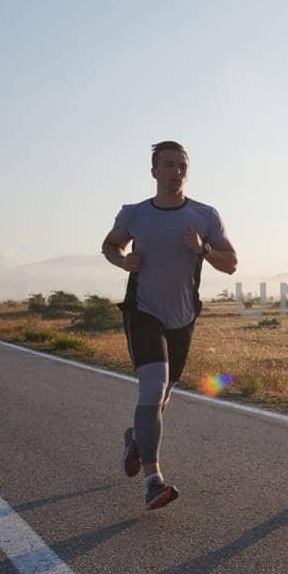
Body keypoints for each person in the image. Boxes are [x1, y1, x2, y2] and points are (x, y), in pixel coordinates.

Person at [101, 140, 237, 510]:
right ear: (154, 171)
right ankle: (153, 480)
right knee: (152, 389)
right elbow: (110, 246)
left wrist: (203, 251)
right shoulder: (135, 214)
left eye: (182, 166)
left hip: (183, 317)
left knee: (159, 399)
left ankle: (136, 438)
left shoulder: (205, 215)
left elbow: (231, 264)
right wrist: (123, 261)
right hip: (143, 312)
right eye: (169, 165)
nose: (176, 172)